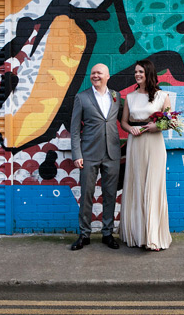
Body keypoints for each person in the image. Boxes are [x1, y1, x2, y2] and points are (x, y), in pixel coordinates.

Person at [119, 59, 173, 251]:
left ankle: (153, 237)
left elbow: (169, 122)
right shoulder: (130, 97)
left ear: (148, 73)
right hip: (135, 143)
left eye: (140, 71)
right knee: (136, 186)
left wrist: (156, 126)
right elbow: (124, 122)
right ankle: (137, 235)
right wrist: (130, 130)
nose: (137, 75)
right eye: (135, 72)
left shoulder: (162, 95)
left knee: (152, 186)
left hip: (154, 144)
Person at [70, 63, 122, 251]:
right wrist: (77, 154)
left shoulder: (116, 96)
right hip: (89, 154)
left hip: (112, 153)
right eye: (93, 73)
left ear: (107, 76)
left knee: (110, 195)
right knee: (87, 196)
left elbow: (123, 121)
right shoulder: (82, 97)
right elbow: (75, 130)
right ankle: (84, 234)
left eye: (99, 73)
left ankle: (107, 233)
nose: (95, 76)